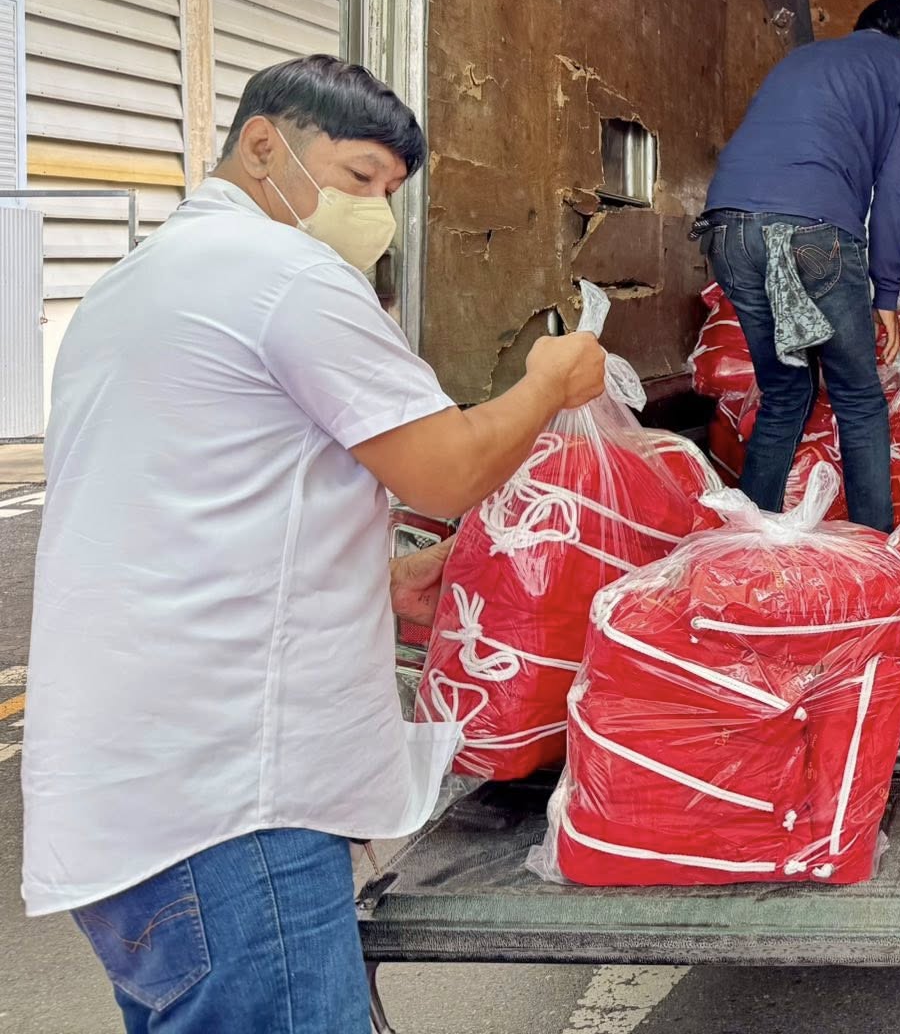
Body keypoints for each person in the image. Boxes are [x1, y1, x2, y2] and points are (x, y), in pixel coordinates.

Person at [20, 55, 608, 1033]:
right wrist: (549, 380)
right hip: (232, 815)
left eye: (389, 193)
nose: (375, 213)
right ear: (263, 144)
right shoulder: (281, 272)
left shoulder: (136, 283)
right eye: (359, 177)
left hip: (134, 810)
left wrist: (381, 583)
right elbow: (446, 470)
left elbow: (189, 522)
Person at [700, 0, 900, 532]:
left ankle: (746, 548)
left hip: (726, 231)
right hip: (814, 231)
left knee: (785, 390)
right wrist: (886, 293)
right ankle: (874, 555)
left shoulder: (802, 58)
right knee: (858, 397)